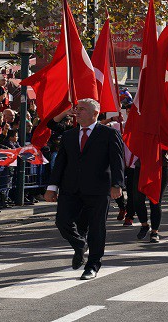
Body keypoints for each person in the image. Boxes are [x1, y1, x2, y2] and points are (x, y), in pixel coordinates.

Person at [44, 99, 124, 280]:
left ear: (95, 113)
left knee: (96, 228)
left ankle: (92, 265)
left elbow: (117, 161)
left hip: (98, 189)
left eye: (82, 109)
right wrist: (52, 187)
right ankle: (80, 244)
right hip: (70, 188)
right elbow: (61, 163)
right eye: (77, 109)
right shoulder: (69, 135)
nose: (77, 112)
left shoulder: (109, 134)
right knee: (62, 221)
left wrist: (117, 185)